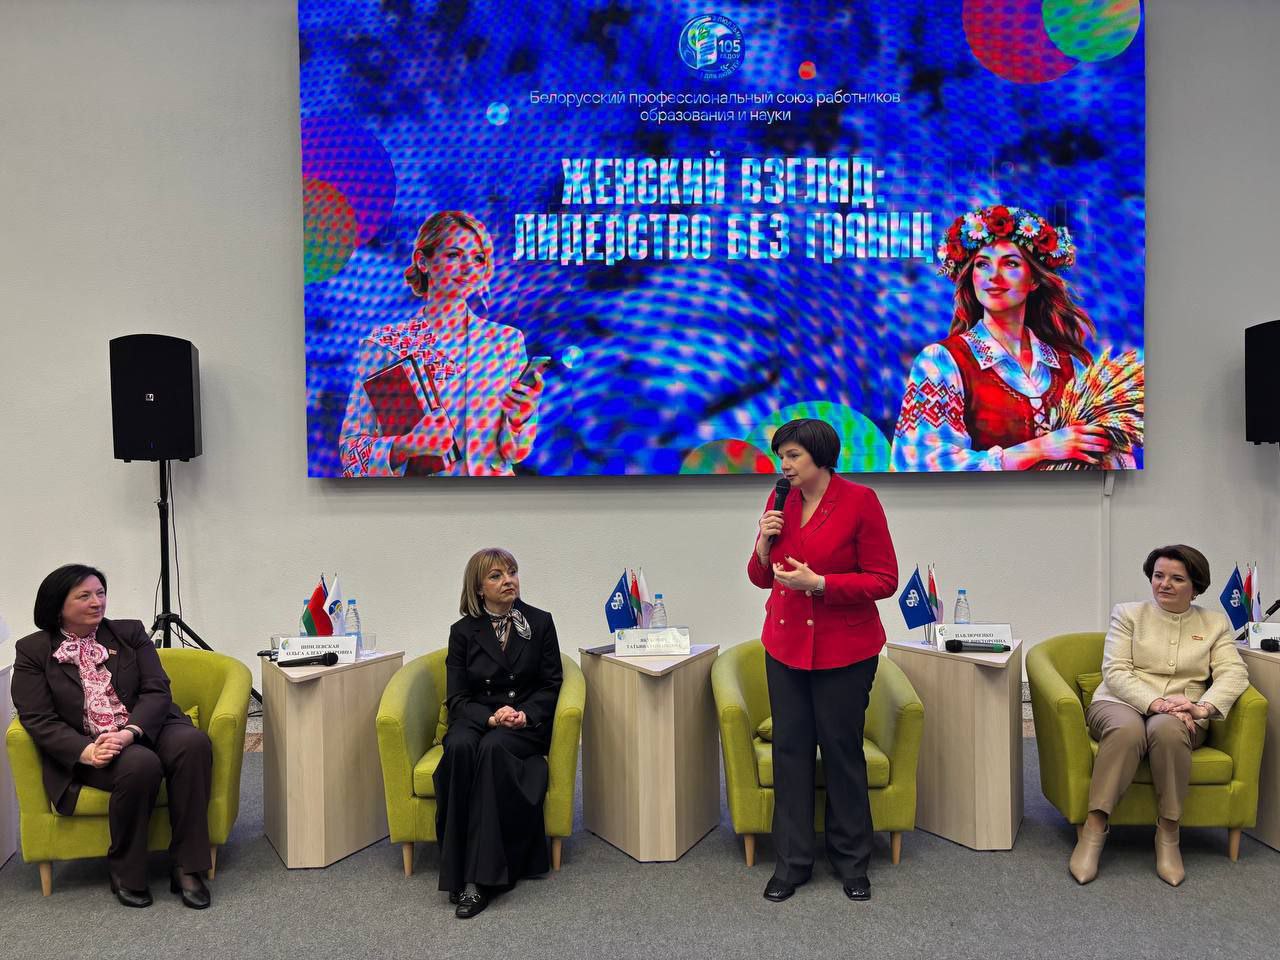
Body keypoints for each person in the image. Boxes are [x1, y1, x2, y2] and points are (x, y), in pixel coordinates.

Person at [747, 418, 899, 903]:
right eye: (781, 456)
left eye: (793, 455)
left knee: (842, 753)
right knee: (790, 753)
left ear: (820, 455)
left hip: (845, 651)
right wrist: (762, 545)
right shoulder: (779, 501)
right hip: (785, 647)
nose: (785, 465)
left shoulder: (860, 501)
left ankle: (852, 862)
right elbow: (760, 577)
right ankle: (791, 863)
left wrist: (821, 584)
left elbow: (884, 579)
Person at [10, 564, 214, 909]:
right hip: (91, 743)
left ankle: (187, 866)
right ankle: (125, 869)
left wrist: (131, 731)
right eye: (84, 596)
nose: (97, 602)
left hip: (146, 724)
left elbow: (157, 690)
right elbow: (37, 718)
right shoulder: (33, 650)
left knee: (193, 744)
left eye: (100, 593)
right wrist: (86, 751)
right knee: (140, 764)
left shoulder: (128, 633)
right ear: (58, 605)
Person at [891, 203, 1122, 471]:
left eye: (1010, 263)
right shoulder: (942, 361)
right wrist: (1040, 449)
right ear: (971, 277)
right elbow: (920, 464)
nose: (994, 276)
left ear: (1034, 280)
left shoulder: (1069, 367)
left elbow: (1112, 459)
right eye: (982, 264)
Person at [1069, 545, 1249, 886]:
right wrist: (1156, 703)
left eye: (1176, 579)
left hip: (1183, 713)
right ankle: (1094, 828)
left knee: (1167, 731)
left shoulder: (1214, 623)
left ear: (1195, 587)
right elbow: (1115, 671)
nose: (1164, 584)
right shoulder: (1128, 614)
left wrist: (1202, 708)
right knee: (1127, 731)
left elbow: (1234, 673)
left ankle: (1168, 832)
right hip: (1120, 702)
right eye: (1158, 576)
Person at [339, 210, 543, 476]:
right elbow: (350, 456)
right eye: (454, 255)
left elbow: (515, 453)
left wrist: (520, 418)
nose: (468, 268)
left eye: (478, 258)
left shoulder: (507, 342)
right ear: (423, 262)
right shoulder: (384, 346)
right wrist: (406, 446)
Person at [434, 548, 563, 918]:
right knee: (459, 746)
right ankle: (456, 867)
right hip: (480, 718)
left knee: (493, 750)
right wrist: (491, 717)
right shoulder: (462, 632)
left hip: (523, 724)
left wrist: (524, 714)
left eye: (512, 572)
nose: (509, 581)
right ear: (479, 588)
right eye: (496, 575)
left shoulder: (539, 622)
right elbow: (457, 698)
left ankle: (480, 880)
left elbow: (551, 684)